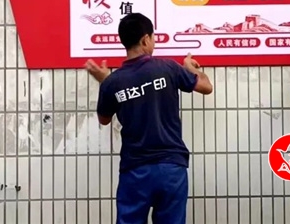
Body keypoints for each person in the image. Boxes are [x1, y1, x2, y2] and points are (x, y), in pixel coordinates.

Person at [84, 12, 213, 224]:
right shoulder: (168, 68)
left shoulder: (113, 82)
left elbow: (104, 119)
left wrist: (105, 81)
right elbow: (206, 87)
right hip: (171, 167)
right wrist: (190, 68)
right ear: (145, 40)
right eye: (153, 38)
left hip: (135, 170)